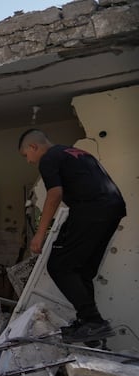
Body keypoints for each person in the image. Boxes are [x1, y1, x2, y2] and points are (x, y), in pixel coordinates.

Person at [18, 129, 126, 342]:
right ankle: (89, 324)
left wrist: (40, 234)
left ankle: (93, 321)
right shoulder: (76, 153)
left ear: (33, 147)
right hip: (112, 209)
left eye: (26, 155)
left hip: (90, 209)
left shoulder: (48, 157)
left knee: (59, 266)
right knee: (82, 271)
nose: (29, 161)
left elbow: (54, 194)